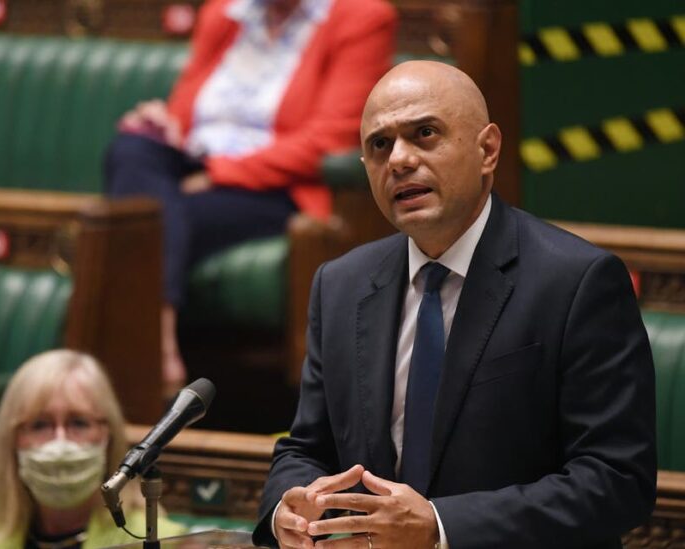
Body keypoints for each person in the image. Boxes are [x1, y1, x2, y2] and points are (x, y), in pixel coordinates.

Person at [252, 61, 657, 549]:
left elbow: (616, 481)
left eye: (424, 133)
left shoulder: (576, 282)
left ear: (487, 149)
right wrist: (286, 510)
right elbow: (306, 448)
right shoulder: (340, 284)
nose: (399, 159)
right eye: (379, 145)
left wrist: (441, 528)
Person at [104, 0, 397, 392]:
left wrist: (221, 172)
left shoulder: (361, 17)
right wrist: (161, 124)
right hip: (196, 169)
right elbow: (186, 115)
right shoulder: (223, 12)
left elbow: (331, 141)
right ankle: (157, 340)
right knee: (132, 149)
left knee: (149, 217)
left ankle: (137, 355)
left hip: (275, 188)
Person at [0, 350, 185, 549]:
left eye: (78, 423)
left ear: (107, 434)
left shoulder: (160, 540)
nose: (60, 441)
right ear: (13, 439)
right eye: (40, 425)